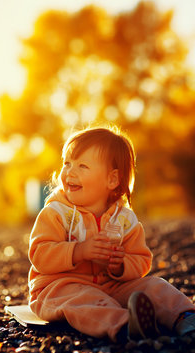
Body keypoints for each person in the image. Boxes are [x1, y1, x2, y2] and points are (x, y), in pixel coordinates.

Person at [28, 126, 195, 342]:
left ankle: (184, 317)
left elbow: (141, 260)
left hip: (112, 287)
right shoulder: (56, 213)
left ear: (112, 180)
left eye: (82, 166)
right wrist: (79, 251)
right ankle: (125, 324)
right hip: (59, 288)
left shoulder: (125, 220)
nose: (70, 172)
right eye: (66, 163)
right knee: (83, 299)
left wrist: (120, 265)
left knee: (155, 286)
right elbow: (40, 256)